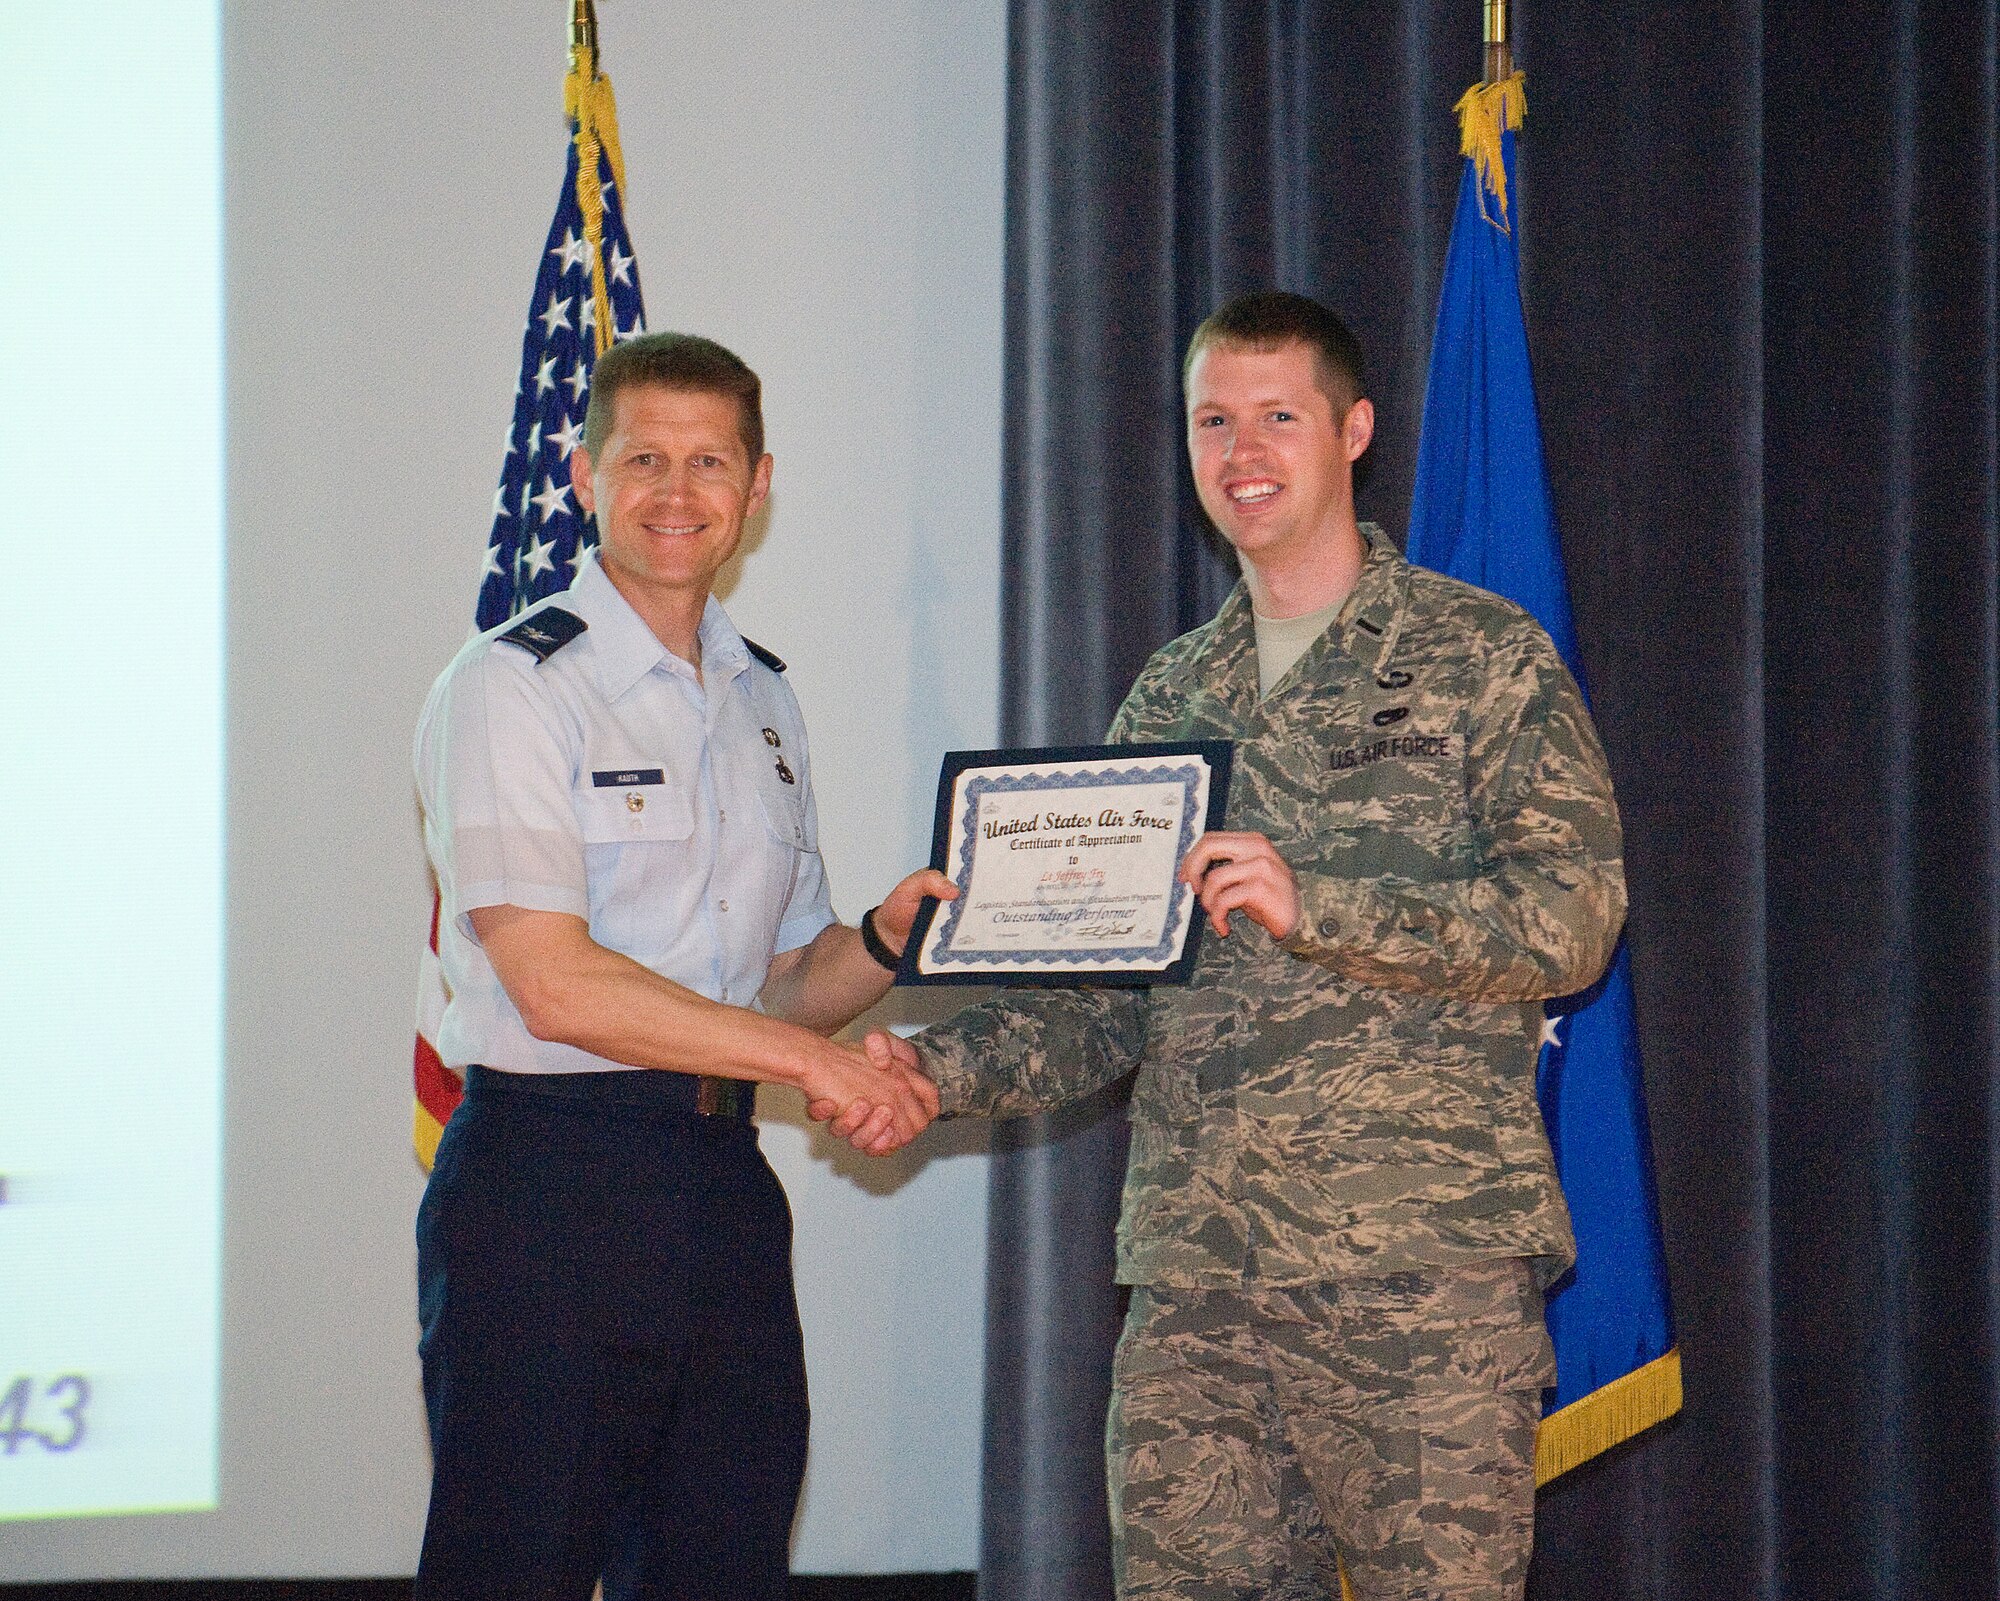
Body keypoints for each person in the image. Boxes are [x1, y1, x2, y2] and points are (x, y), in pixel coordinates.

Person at [859, 291, 1626, 1601]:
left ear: (1354, 432)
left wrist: (1315, 901)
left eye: (1279, 416)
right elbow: (1107, 1000)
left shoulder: (1479, 656)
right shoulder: (1173, 690)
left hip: (1418, 1277)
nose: (1244, 451)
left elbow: (1573, 919)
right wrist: (928, 1072)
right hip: (1197, 1288)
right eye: (1215, 420)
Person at [412, 331, 944, 1601]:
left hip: (719, 1194)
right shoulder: (511, 688)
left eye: (710, 460)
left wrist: (884, 940)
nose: (675, 490)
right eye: (642, 455)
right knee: (516, 1570)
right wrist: (812, 1062)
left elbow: (770, 979)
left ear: (758, 486)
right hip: (547, 1188)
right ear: (583, 470)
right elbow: (557, 982)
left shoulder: (763, 697)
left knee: (723, 1568)